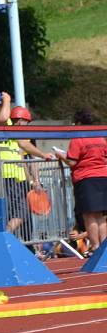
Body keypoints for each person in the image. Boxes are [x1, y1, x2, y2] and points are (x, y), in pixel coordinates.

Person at [0, 92, 53, 240]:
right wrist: (7, 101)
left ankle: (1, 237)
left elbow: (23, 143)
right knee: (5, 214)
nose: (0, 109)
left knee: (18, 212)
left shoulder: (8, 124)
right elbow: (3, 119)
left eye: (1, 106)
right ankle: (1, 238)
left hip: (11, 177)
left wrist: (43, 155)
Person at [57, 108, 107, 253]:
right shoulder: (100, 138)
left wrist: (60, 155)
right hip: (103, 177)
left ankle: (96, 247)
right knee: (101, 215)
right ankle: (104, 247)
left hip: (86, 179)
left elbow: (72, 162)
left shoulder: (78, 138)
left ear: (79, 122)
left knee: (89, 215)